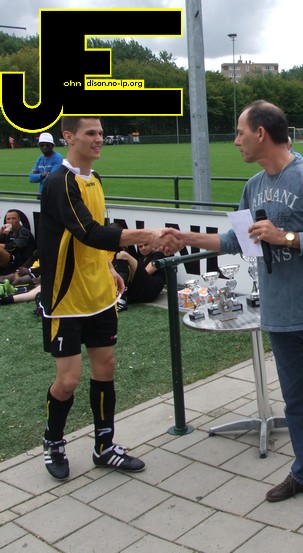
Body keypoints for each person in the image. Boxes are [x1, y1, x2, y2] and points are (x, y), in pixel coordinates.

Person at [163, 100, 303, 514]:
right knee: (297, 402)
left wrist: (286, 238)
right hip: (279, 315)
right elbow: (236, 241)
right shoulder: (253, 186)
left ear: (261, 133)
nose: (236, 141)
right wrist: (185, 238)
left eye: (240, 132)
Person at [38, 116, 179, 481]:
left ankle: (104, 447)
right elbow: (88, 232)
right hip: (66, 299)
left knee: (106, 368)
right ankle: (53, 440)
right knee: (68, 380)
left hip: (99, 294)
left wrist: (108, 267)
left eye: (101, 132)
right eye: (91, 133)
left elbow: (98, 234)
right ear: (68, 137)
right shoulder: (59, 182)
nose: (99, 138)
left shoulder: (95, 179)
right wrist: (145, 235)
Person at [113, 241, 166, 309]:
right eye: (140, 247)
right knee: (122, 263)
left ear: (152, 244)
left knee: (123, 255)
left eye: (146, 245)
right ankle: (121, 296)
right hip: (139, 291)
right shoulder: (140, 259)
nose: (143, 248)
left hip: (150, 288)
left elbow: (146, 272)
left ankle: (122, 298)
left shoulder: (159, 255)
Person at [0, 209, 35, 274]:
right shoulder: (8, 232)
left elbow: (17, 245)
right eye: (8, 219)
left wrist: (2, 246)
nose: (11, 221)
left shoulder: (24, 231)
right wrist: (1, 233)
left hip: (21, 261)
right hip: (10, 260)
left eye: (14, 218)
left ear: (19, 219)